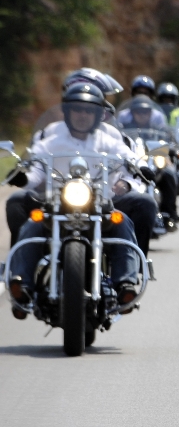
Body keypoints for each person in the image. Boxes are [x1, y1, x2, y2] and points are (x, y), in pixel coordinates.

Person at [6, 84, 151, 317]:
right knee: (33, 223)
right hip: (57, 206)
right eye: (77, 110)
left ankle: (125, 284)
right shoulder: (52, 141)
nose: (82, 115)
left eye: (88, 111)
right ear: (68, 112)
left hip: (99, 206)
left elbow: (130, 159)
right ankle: (22, 284)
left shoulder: (108, 141)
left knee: (122, 221)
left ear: (97, 115)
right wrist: (22, 177)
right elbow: (35, 171)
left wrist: (140, 168)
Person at [117, 96, 179, 223]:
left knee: (169, 173)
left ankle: (170, 213)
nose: (142, 115)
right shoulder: (124, 128)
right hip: (132, 161)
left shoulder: (157, 128)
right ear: (132, 113)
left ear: (151, 113)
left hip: (153, 157)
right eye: (138, 111)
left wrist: (170, 150)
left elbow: (166, 141)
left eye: (145, 112)